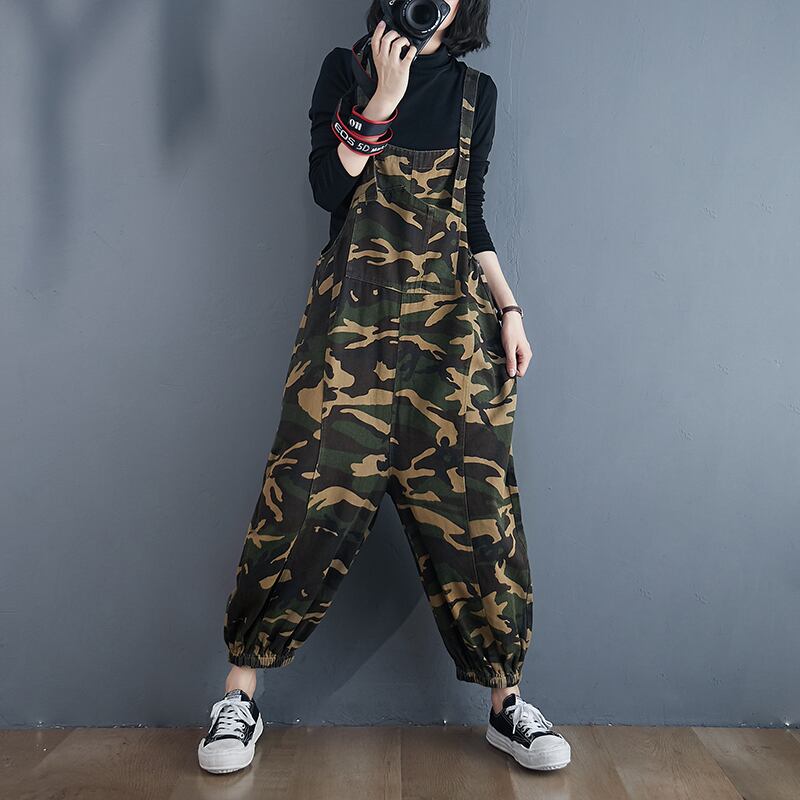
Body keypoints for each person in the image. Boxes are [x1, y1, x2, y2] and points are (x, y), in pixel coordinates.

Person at [198, 0, 571, 775]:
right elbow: (326, 189)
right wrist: (382, 100)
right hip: (350, 335)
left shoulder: (475, 95)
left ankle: (507, 703)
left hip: (451, 340)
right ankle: (239, 695)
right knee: (300, 497)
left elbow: (470, 217)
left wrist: (510, 310)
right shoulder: (346, 71)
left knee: (480, 508)